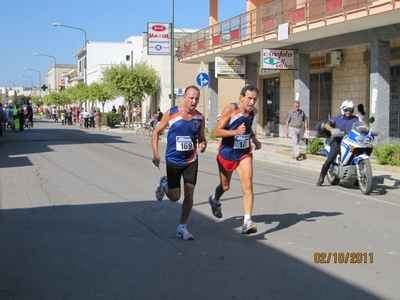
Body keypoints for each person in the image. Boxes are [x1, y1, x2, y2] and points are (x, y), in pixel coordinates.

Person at [151, 85, 207, 241]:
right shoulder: (172, 113)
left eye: (196, 98)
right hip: (173, 160)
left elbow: (202, 138)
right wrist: (156, 154)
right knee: (175, 197)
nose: (194, 101)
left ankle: (182, 227)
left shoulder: (199, 118)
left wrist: (203, 144)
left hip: (191, 160)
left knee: (189, 193)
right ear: (185, 97)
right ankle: (164, 184)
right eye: (191, 98)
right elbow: (156, 132)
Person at [208, 84, 262, 235]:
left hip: (244, 152)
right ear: (241, 97)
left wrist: (254, 139)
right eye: (249, 98)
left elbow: (248, 126)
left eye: (255, 99)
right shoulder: (230, 109)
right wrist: (235, 132)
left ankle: (247, 222)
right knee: (225, 187)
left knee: (247, 184)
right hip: (227, 152)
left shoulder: (253, 112)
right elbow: (217, 132)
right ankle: (215, 200)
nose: (252, 102)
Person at [316, 100, 359, 186]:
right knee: (330, 158)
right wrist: (332, 129)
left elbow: (362, 125)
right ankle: (321, 177)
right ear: (343, 110)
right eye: (347, 110)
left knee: (356, 156)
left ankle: (358, 177)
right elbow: (326, 125)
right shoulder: (337, 118)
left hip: (352, 141)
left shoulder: (355, 119)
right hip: (338, 140)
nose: (348, 112)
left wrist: (367, 128)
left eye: (350, 110)